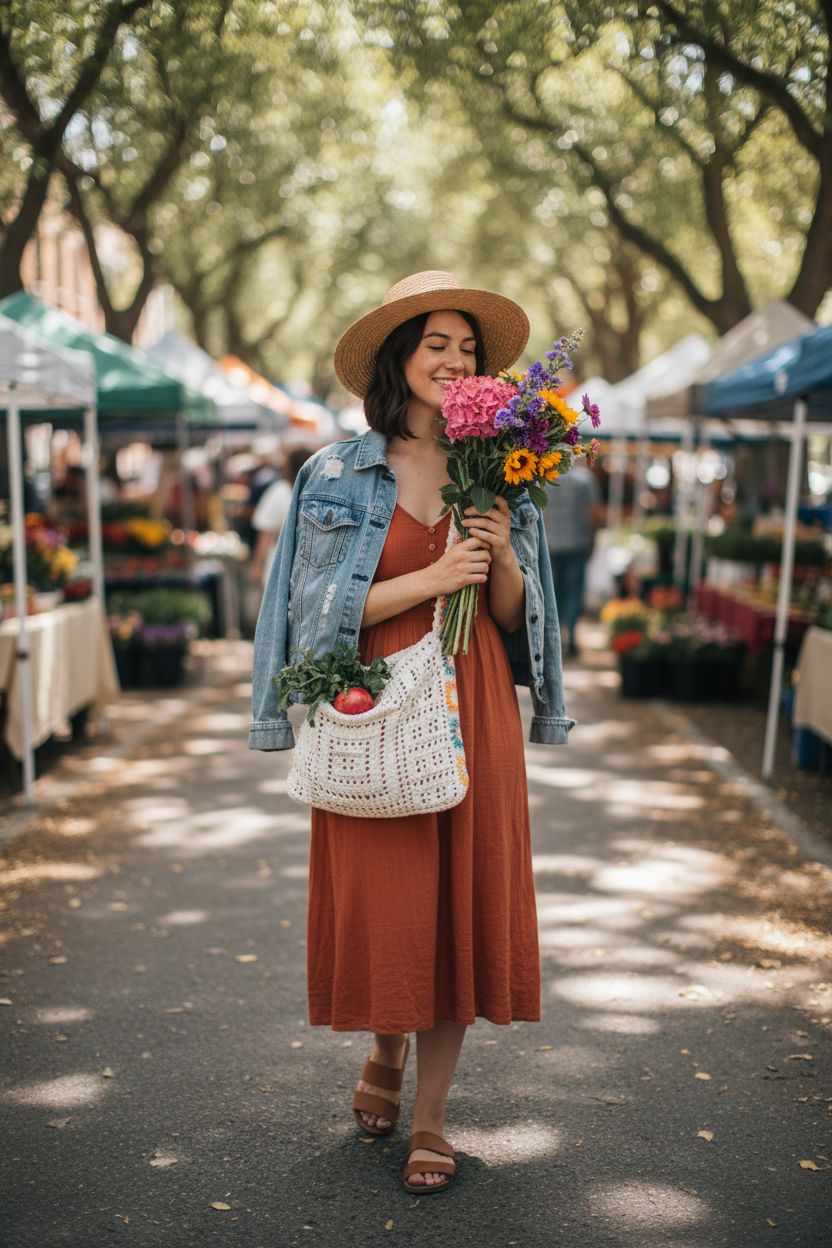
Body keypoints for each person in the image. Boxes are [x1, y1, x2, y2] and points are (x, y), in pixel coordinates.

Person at [249, 271, 575, 1194]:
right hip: (372, 698)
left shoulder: (509, 467)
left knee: (460, 905)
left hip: (473, 701)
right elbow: (313, 618)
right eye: (436, 343)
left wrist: (502, 551)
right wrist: (430, 584)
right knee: (395, 905)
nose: (455, 359)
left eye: (467, 348)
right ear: (398, 359)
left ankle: (430, 1117)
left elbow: (516, 619)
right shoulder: (334, 473)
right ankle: (383, 1051)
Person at [542, 460, 603, 657]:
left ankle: (555, 638)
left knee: (553, 592)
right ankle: (571, 636)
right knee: (574, 592)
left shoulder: (546, 479)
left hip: (551, 543)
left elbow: (541, 512)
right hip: (577, 542)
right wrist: (593, 539)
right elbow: (593, 513)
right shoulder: (585, 479)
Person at [248, 447, 313, 591]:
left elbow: (266, 534)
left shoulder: (278, 492)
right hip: (312, 572)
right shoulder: (319, 491)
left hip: (280, 566)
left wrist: (257, 566)